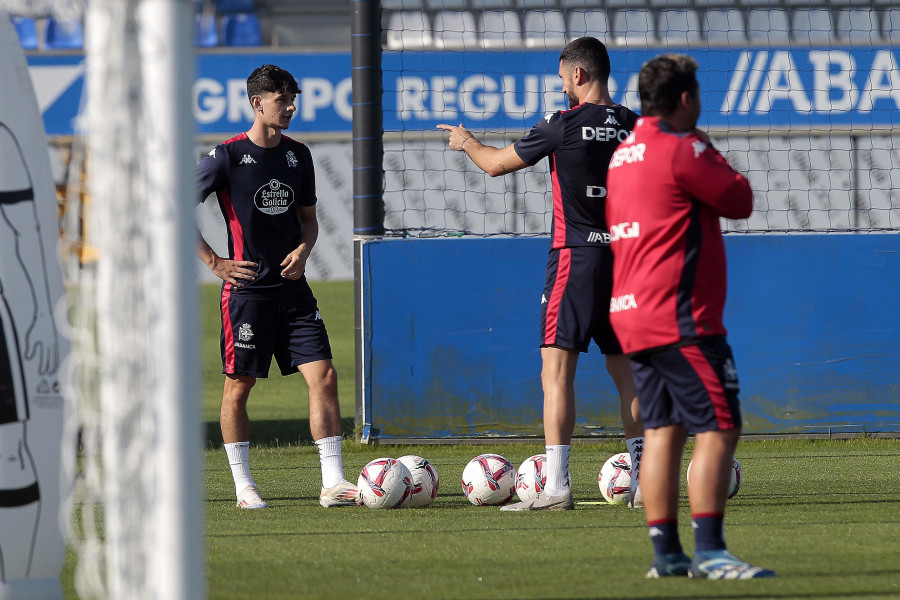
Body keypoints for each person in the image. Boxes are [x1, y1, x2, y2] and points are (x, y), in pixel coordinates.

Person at [438, 37, 644, 511]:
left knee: (556, 373)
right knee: (629, 375)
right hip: (628, 260)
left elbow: (494, 166)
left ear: (578, 75)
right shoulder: (638, 127)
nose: (563, 90)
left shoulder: (562, 126)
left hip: (576, 256)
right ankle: (642, 485)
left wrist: (467, 142)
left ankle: (556, 488)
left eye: (562, 80)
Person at [605, 54, 775, 579]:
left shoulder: (624, 153)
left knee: (662, 432)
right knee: (720, 426)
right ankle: (712, 552)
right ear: (686, 100)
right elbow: (739, 198)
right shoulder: (684, 148)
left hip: (631, 315)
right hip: (680, 318)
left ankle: (667, 557)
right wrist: (705, 146)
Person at [196, 64, 359, 509]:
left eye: (293, 99)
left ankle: (333, 482)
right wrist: (214, 262)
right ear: (257, 103)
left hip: (294, 293)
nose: (290, 107)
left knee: (323, 376)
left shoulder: (298, 155)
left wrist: (305, 250)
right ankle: (243, 486)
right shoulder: (225, 156)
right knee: (239, 388)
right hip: (246, 294)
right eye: (282, 100)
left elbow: (309, 222)